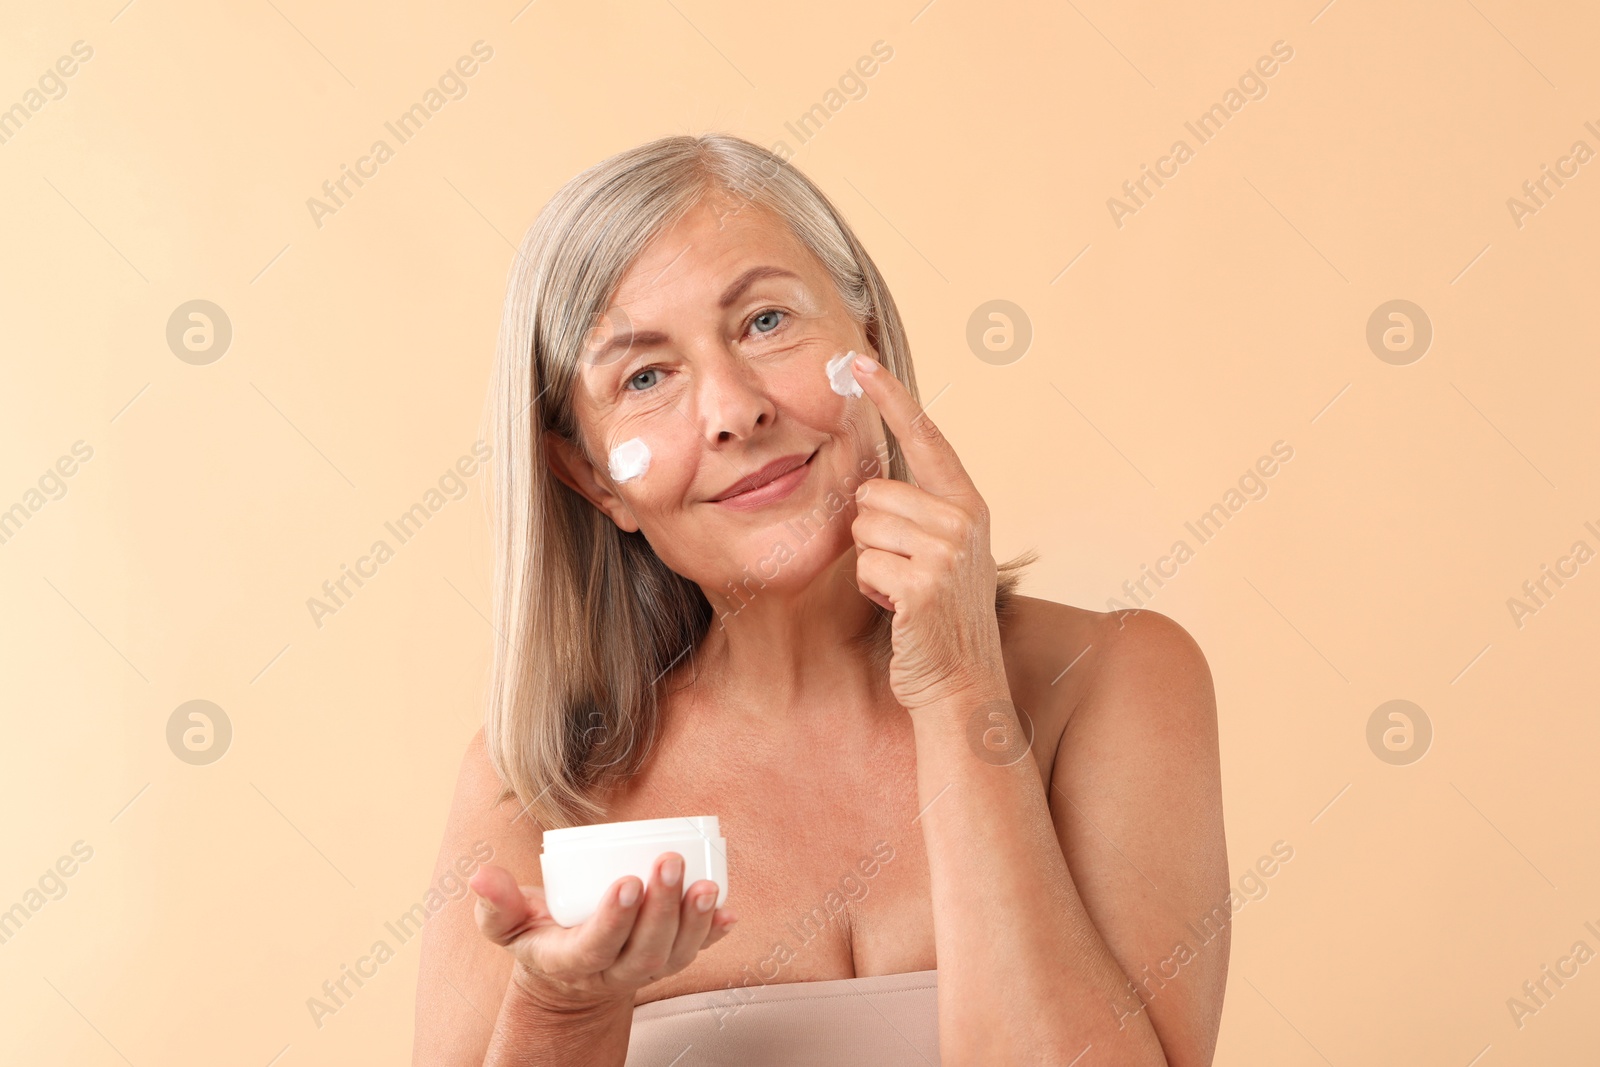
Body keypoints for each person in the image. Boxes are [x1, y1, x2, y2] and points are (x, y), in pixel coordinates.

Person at [412, 133, 1228, 1066]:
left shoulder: (1115, 681)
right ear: (593, 477)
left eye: (765, 322)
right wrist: (562, 1010)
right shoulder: (537, 779)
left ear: (867, 339)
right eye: (645, 376)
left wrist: (959, 685)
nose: (733, 409)